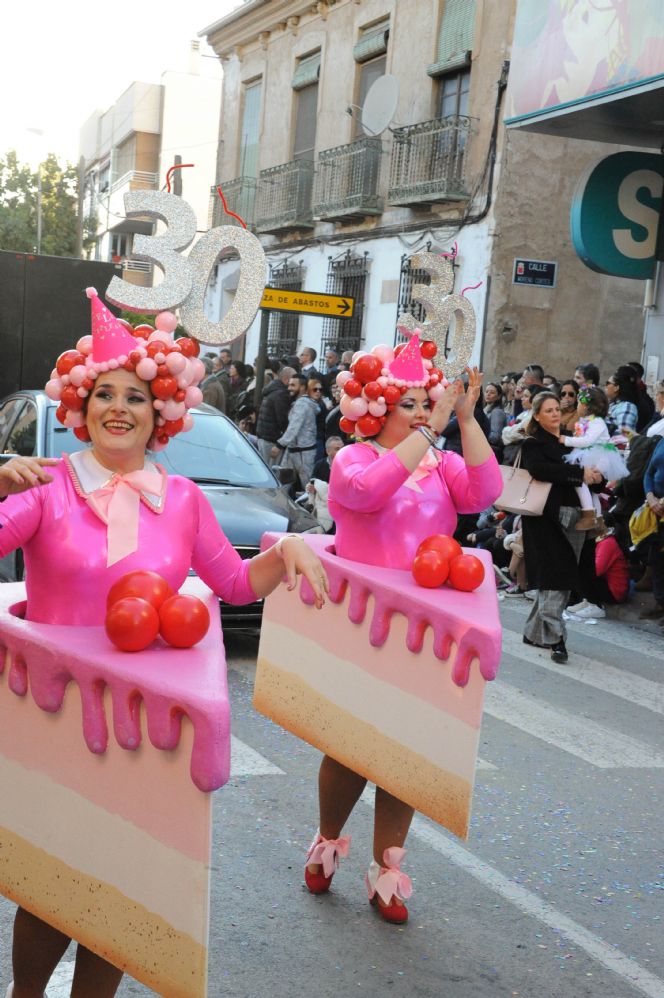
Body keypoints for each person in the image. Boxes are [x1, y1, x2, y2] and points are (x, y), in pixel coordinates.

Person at [0, 292, 328, 998]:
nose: (119, 408)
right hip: (55, 716)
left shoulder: (182, 500)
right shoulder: (49, 488)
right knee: (52, 880)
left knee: (123, 885)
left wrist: (289, 547)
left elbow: (235, 585)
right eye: (104, 394)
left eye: (137, 397)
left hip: (145, 722)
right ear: (80, 406)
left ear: (162, 413)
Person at [304, 356, 502, 924]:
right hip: (363, 625)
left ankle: (386, 870)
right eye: (407, 405)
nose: (419, 414)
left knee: (407, 754)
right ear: (374, 410)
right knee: (350, 749)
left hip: (424, 629)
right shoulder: (352, 459)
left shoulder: (438, 462)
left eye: (424, 403)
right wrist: (431, 432)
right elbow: (368, 492)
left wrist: (465, 420)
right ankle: (325, 842)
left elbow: (483, 494)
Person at [520, 392, 603, 663]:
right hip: (545, 516)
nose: (555, 414)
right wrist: (578, 475)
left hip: (578, 514)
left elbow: (591, 470)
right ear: (537, 415)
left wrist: (597, 476)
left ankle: (535, 633)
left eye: (557, 409)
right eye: (548, 410)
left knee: (558, 575)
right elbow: (541, 470)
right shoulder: (533, 443)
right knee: (557, 574)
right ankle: (556, 638)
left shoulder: (572, 438)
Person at [560, 385, 627, 530]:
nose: (577, 406)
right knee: (590, 489)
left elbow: (587, 441)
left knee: (580, 481)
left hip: (599, 456)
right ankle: (598, 519)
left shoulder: (597, 422)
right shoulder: (588, 421)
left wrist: (566, 440)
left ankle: (589, 515)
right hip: (593, 455)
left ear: (586, 406)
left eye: (579, 403)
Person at [273, 373, 319, 487]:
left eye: (293, 385)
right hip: (294, 449)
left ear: (302, 387)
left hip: (303, 451)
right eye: (289, 385)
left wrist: (279, 445)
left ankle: (311, 504)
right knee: (283, 482)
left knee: (307, 486)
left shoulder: (301, 404)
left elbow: (294, 427)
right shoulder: (300, 403)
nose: (289, 388)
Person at [640, 435, 664, 621]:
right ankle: (660, 602)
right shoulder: (662, 441)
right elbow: (648, 472)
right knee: (656, 558)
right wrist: (650, 497)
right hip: (654, 509)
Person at [255, 365, 294, 466]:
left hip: (264, 436)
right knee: (272, 471)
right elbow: (282, 419)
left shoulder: (273, 389)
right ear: (286, 379)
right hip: (271, 439)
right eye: (292, 379)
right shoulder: (281, 394)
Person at [605, 366, 639, 437]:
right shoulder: (613, 404)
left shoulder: (627, 406)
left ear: (616, 388)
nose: (605, 386)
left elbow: (624, 435)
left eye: (608, 383)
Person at [484, 381, 507, 460]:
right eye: (486, 391)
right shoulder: (485, 409)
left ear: (498, 396)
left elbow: (495, 437)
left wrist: (478, 434)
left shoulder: (497, 412)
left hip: (491, 453)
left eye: (492, 392)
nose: (488, 394)